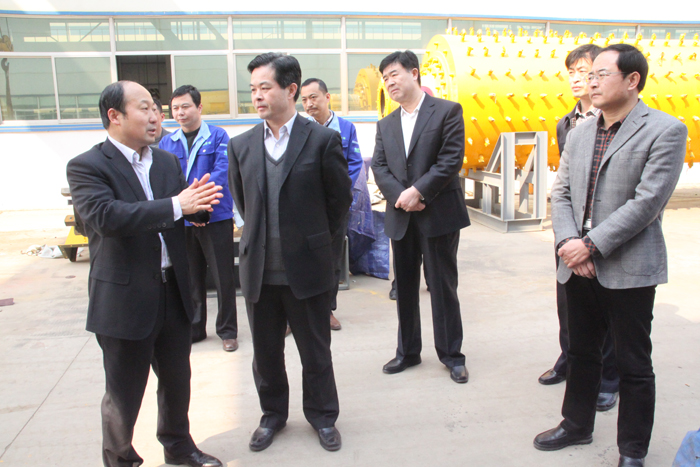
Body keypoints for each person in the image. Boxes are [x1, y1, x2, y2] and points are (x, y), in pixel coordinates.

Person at [534, 44, 687, 467]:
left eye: (601, 74)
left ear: (632, 80)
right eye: (590, 75)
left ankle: (632, 450)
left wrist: (591, 244)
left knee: (632, 362)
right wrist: (570, 243)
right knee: (581, 352)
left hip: (628, 267)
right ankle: (576, 425)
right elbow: (562, 192)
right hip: (576, 264)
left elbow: (647, 202)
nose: (592, 82)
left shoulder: (665, 130)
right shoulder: (581, 131)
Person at [66, 80, 223, 467]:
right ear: (115, 116)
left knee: (177, 380)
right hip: (125, 297)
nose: (156, 116)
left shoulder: (166, 161)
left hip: (172, 292)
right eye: (145, 108)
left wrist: (199, 209)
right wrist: (177, 205)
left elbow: (180, 211)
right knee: (123, 394)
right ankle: (120, 459)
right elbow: (106, 217)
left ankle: (178, 446)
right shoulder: (87, 166)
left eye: (156, 108)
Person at [227, 53, 352, 452]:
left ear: (291, 89)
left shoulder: (321, 140)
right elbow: (244, 202)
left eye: (265, 87)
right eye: (253, 89)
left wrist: (316, 246)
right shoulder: (241, 146)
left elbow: (339, 202)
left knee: (315, 352)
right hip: (260, 272)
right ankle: (272, 416)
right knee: (265, 356)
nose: (257, 96)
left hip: (308, 269)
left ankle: (323, 416)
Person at [371, 50, 470, 384]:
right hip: (402, 216)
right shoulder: (386, 124)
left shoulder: (447, 111)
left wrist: (419, 191)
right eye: (385, 78)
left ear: (414, 73)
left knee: (442, 287)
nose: (389, 83)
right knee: (405, 287)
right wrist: (401, 196)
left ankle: (452, 355)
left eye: (394, 74)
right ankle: (408, 352)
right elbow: (379, 166)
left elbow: (451, 159)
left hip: (438, 213)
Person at [539, 44, 620, 413]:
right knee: (568, 302)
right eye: (572, 72)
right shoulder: (566, 123)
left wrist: (592, 242)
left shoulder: (618, 121)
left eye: (586, 72)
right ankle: (569, 357)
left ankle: (609, 378)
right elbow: (566, 185)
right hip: (570, 231)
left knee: (608, 308)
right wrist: (568, 237)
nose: (577, 79)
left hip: (605, 233)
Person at [159, 85, 239, 352]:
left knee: (223, 277)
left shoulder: (218, 136)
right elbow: (167, 180)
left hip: (215, 217)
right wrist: (188, 209)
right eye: (175, 108)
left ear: (199, 107)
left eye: (185, 106)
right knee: (191, 276)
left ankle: (227, 331)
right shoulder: (167, 143)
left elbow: (221, 173)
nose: (180, 113)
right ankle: (195, 328)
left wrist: (197, 205)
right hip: (182, 219)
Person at [300, 77, 363, 331]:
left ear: (327, 97)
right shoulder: (300, 129)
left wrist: (337, 195)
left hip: (336, 207)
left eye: (313, 97)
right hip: (307, 207)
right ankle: (299, 313)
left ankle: (327, 310)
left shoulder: (345, 128)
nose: (309, 104)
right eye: (304, 100)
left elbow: (355, 164)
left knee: (332, 258)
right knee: (304, 259)